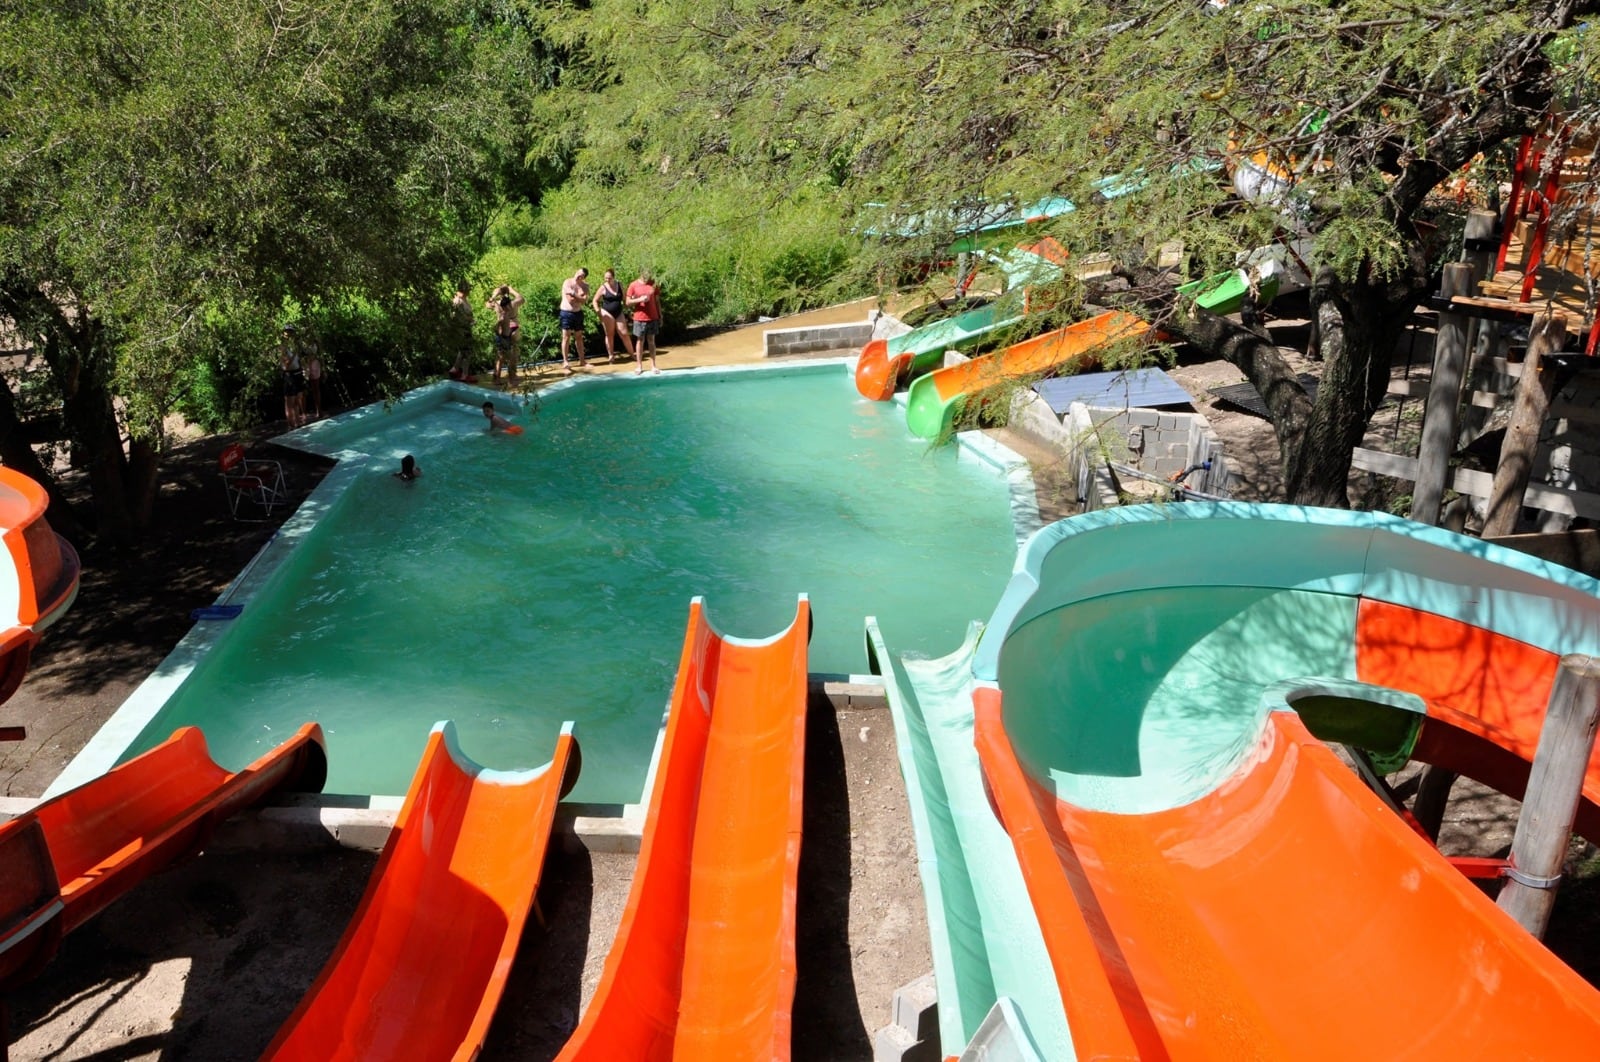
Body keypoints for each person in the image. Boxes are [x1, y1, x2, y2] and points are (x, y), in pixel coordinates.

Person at [591, 269, 635, 364]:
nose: (607, 280)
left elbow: (624, 298)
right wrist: (598, 311)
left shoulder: (619, 285)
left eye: (609, 278)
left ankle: (632, 354)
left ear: (613, 277)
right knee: (610, 334)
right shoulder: (603, 287)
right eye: (606, 278)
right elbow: (595, 300)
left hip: (619, 311)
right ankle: (611, 355)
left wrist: (630, 308)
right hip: (607, 312)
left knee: (624, 333)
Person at [625, 268, 662, 375]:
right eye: (646, 272)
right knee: (640, 341)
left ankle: (653, 366)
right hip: (639, 318)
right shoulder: (633, 285)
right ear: (641, 272)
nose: (648, 275)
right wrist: (639, 299)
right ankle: (639, 366)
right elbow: (627, 302)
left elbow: (657, 301)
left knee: (651, 340)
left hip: (653, 317)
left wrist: (660, 315)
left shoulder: (653, 284)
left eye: (649, 273)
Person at [488, 285, 525, 384]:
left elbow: (488, 304)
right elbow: (522, 299)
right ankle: (512, 377)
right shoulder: (512, 303)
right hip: (512, 329)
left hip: (503, 332)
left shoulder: (497, 305)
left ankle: (497, 377)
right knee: (513, 354)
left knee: (500, 355)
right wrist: (513, 290)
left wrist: (494, 295)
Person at [558, 267, 590, 373]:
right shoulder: (568, 282)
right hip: (566, 312)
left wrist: (575, 294)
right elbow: (570, 300)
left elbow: (584, 300)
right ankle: (565, 361)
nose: (577, 276)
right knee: (566, 336)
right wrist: (579, 296)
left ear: (583, 277)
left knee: (579, 336)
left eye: (580, 275)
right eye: (577, 273)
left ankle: (582, 360)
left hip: (578, 313)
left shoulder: (585, 286)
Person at [279, 326, 308, 427]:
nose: (290, 335)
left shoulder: (294, 346)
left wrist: (303, 369)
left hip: (297, 373)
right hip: (289, 375)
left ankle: (297, 422)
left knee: (297, 398)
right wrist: (294, 354)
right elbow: (286, 365)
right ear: (284, 334)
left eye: (291, 333)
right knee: (290, 401)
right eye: (288, 333)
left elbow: (298, 361)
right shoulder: (283, 348)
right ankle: (291, 424)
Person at [448, 283, 476, 381]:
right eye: (468, 290)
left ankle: (454, 369)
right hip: (462, 330)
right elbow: (455, 316)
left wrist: (471, 320)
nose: (469, 292)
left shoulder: (464, 299)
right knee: (467, 352)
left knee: (463, 351)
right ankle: (464, 375)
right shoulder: (457, 301)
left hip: (466, 328)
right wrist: (469, 320)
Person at [304, 331, 325, 420]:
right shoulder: (303, 344)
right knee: (307, 389)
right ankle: (304, 413)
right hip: (307, 365)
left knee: (316, 388)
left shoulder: (316, 343)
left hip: (315, 365)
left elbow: (320, 355)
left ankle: (318, 409)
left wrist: (323, 368)